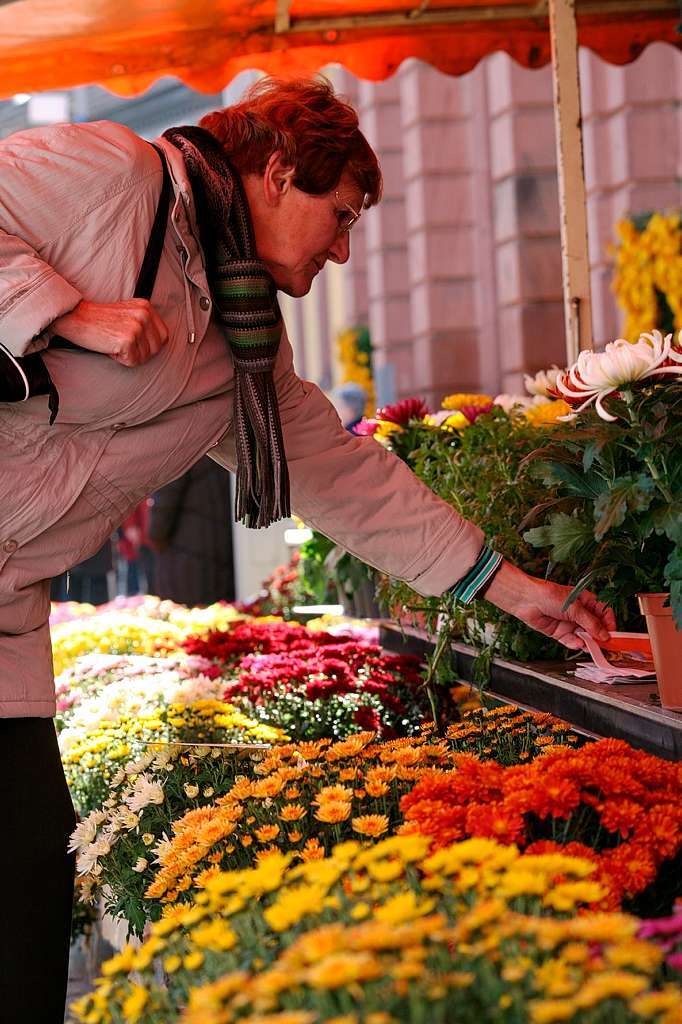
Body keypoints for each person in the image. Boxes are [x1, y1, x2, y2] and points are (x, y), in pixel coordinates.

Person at [0, 77, 615, 1021]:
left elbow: (346, 477)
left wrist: (508, 586)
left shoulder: (241, 354)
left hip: (7, 613)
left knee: (30, 871)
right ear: (279, 170)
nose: (343, 246)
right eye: (342, 214)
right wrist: (65, 312)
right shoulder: (119, 177)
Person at [148, 456, 235, 606]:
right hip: (221, 547)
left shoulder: (182, 445)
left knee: (189, 619)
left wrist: (156, 536)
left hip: (186, 557)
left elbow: (164, 503)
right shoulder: (222, 443)